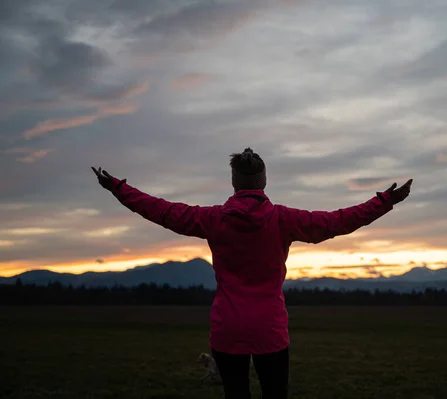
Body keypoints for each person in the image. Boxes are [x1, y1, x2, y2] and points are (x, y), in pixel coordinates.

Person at [92, 148, 413, 399]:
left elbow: (160, 210)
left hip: (227, 327)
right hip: (269, 329)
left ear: (234, 181)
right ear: (263, 181)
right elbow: (338, 221)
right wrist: (385, 201)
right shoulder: (283, 219)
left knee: (236, 395)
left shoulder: (213, 218)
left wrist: (118, 188)